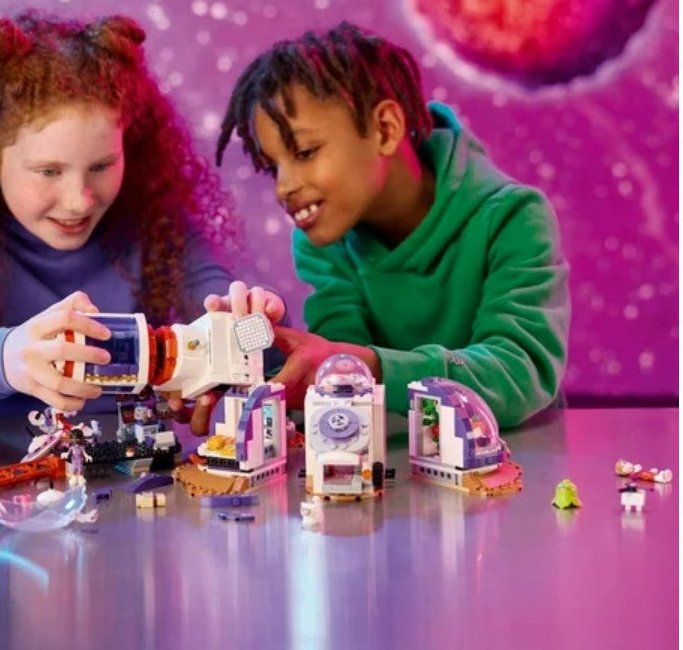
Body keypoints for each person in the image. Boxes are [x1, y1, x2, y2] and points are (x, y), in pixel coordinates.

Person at [0, 11, 281, 433]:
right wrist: (6, 360)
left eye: (102, 166)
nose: (78, 200)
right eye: (49, 171)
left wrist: (253, 324)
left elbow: (239, 324)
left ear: (128, 146)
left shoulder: (160, 228)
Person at [212, 22, 570, 428]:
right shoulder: (323, 241)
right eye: (272, 166)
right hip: (398, 469)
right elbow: (338, 374)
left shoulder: (513, 217)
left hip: (516, 465)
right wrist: (258, 356)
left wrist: (370, 367)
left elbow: (519, 375)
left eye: (306, 151)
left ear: (385, 128)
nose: (284, 186)